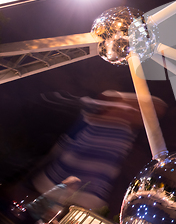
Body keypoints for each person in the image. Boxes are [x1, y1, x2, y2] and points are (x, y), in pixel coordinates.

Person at [30, 90, 167, 212]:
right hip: (65, 176)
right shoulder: (92, 119)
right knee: (49, 209)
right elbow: (67, 141)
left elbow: (158, 107)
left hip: (90, 187)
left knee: (66, 211)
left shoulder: (126, 128)